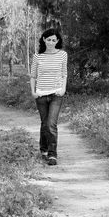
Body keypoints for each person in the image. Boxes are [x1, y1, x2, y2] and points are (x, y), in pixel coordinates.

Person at [30, 28, 68, 166]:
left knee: (51, 124)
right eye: (48, 40)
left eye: (53, 40)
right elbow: (33, 76)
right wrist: (33, 92)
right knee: (44, 124)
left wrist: (63, 89)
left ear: (57, 41)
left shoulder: (62, 55)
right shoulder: (38, 56)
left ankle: (52, 155)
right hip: (41, 94)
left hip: (56, 94)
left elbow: (64, 74)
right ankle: (43, 150)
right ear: (44, 40)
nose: (51, 42)